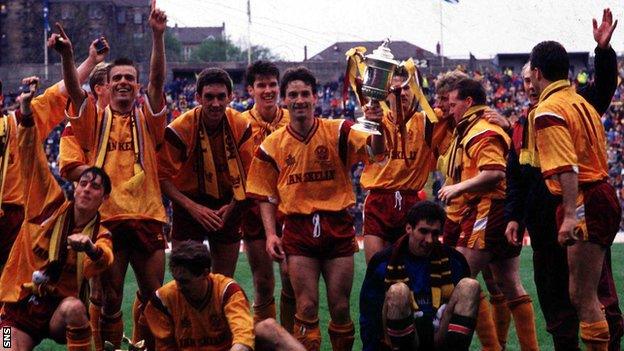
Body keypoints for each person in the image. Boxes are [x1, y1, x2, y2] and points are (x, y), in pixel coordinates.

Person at [505, 9, 622, 350]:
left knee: (591, 296)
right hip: (547, 222)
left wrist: (603, 53)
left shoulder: (556, 107)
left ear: (538, 74)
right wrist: (515, 215)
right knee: (560, 301)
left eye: (530, 79)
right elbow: (517, 175)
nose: (528, 87)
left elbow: (568, 164)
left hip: (575, 205)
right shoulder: (526, 122)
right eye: (523, 82)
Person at [246, 66, 385, 350]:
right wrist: (272, 235)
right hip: (298, 229)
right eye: (293, 94)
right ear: (284, 99)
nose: (299, 100)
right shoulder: (272, 145)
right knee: (306, 308)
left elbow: (376, 151)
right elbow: (265, 196)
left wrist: (377, 125)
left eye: (305, 93)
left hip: (337, 225)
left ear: (315, 96)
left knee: (340, 308)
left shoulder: (339, 130)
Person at [55, 1, 169, 347]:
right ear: (106, 85)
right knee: (108, 300)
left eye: (128, 79)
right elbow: (75, 91)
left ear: (136, 87)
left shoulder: (148, 119)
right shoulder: (95, 120)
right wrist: (68, 57)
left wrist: (157, 36)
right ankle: (8, 338)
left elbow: (158, 80)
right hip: (109, 219)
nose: (122, 83)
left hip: (147, 214)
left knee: (155, 300)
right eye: (116, 77)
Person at [0, 83, 113, 351]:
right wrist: (26, 114)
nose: (87, 188)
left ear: (104, 198)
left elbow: (105, 259)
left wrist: (90, 248)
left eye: (95, 186)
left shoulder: (99, 232)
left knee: (75, 309)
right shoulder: (48, 205)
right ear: (75, 186)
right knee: (3, 346)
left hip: (57, 312)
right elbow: (31, 158)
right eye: (84, 182)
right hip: (17, 308)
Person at [438, 78, 539, 351]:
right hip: (494, 209)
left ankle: (493, 347)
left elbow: (494, 172)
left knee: (462, 280)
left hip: (490, 207)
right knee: (508, 283)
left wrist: (458, 188)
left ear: (468, 102)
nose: (450, 107)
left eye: (453, 102)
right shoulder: (468, 128)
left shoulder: (481, 130)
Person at [158, 67, 253, 277]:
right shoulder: (180, 128)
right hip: (188, 202)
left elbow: (250, 176)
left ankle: (218, 309)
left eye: (221, 97)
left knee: (223, 279)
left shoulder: (241, 125)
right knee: (185, 276)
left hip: (230, 200)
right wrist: (193, 208)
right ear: (198, 97)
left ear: (230, 97)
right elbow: (161, 176)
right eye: (209, 97)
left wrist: (232, 207)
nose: (215, 104)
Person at [360, 201, 480, 351]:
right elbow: (370, 315)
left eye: (435, 233)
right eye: (423, 231)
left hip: (440, 332)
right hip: (404, 335)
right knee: (398, 292)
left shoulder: (455, 261)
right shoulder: (383, 261)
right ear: (409, 228)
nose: (429, 240)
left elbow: (465, 309)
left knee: (470, 286)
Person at [144, 240, 305, 351]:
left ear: (205, 273)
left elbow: (243, 337)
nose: (179, 286)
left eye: (185, 281)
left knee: (268, 327)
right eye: (176, 279)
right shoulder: (162, 299)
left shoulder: (227, 291)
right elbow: (165, 347)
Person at [360, 67, 451, 264]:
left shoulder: (428, 121)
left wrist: (497, 119)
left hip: (411, 202)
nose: (401, 92)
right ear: (385, 93)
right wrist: (375, 125)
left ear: (415, 92)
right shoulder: (371, 120)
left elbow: (460, 106)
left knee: (411, 269)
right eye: (395, 88)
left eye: (407, 87)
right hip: (379, 201)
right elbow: (377, 154)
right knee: (377, 269)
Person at [239, 60, 296, 328]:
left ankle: (288, 340)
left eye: (272, 84)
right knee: (263, 282)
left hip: (290, 207)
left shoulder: (292, 120)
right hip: (254, 209)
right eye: (261, 85)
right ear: (251, 90)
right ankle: (265, 341)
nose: (268, 90)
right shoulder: (239, 124)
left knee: (291, 279)